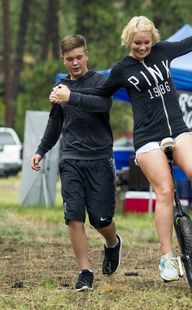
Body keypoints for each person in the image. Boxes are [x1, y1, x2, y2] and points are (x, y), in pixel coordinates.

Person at [50, 16, 192, 282]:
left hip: (177, 128)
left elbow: (190, 43)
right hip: (147, 138)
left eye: (146, 42)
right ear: (128, 41)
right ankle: (166, 256)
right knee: (164, 190)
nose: (142, 48)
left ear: (153, 39)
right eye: (137, 43)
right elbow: (101, 95)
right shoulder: (122, 68)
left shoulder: (164, 51)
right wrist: (71, 96)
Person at [32, 34, 122, 292]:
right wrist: (41, 150)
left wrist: (71, 97)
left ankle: (113, 243)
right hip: (71, 159)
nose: (75, 63)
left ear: (86, 56)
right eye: (69, 59)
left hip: (100, 159)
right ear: (63, 59)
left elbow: (103, 104)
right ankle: (85, 272)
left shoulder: (99, 81)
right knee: (74, 217)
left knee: (101, 219)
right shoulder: (60, 88)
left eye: (79, 57)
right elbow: (55, 124)